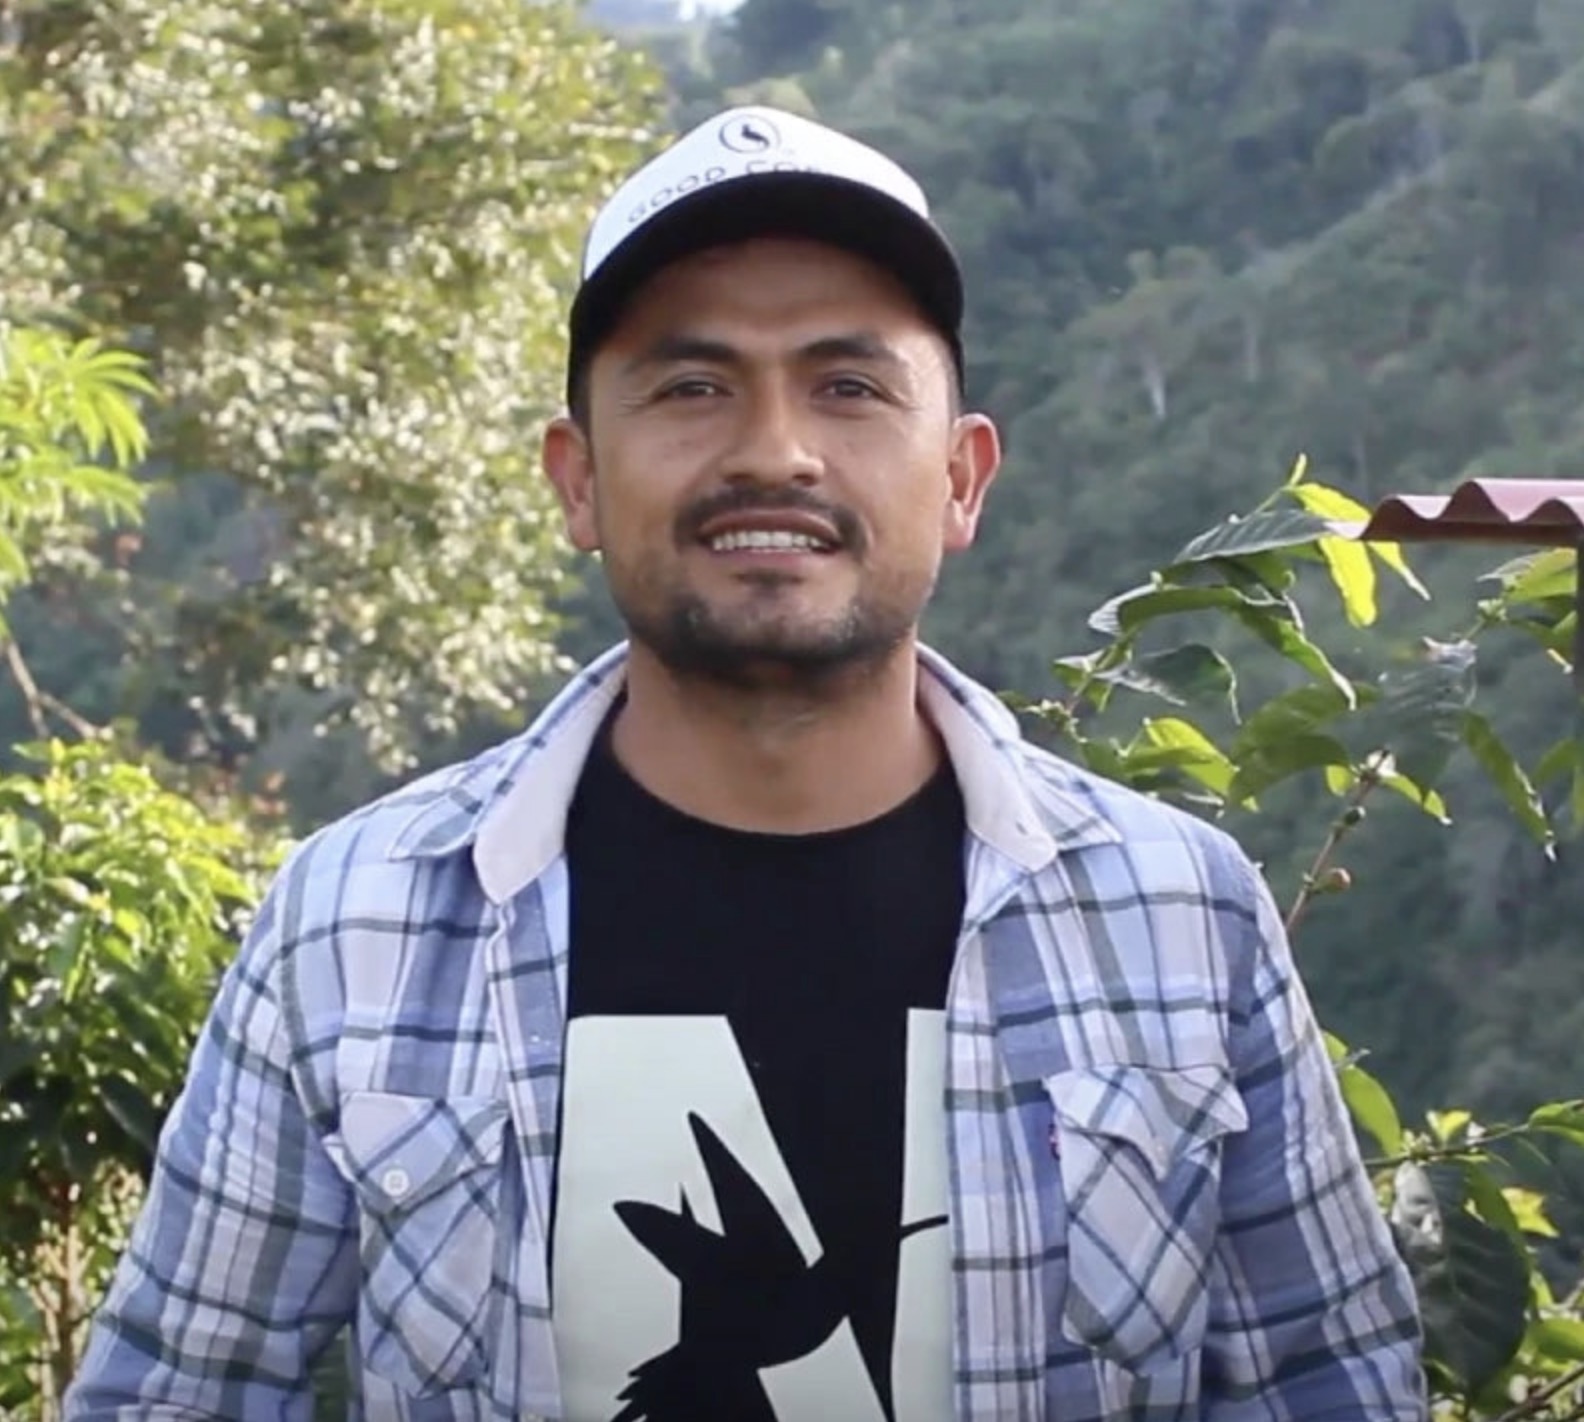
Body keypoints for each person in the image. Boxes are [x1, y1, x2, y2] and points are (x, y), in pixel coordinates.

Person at [67, 105, 1425, 1421]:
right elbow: (174, 1392)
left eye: (849, 387)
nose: (775, 450)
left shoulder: (1179, 915)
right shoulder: (354, 926)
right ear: (578, 480)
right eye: (693, 387)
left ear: (961, 478)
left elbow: (1330, 1386)